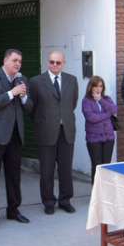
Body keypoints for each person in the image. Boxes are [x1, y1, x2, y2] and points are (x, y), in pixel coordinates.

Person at [0, 48, 33, 231]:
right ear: (5, 61)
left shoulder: (22, 80)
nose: (17, 64)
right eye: (14, 60)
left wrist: (24, 96)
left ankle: (13, 210)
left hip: (15, 136)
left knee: (14, 177)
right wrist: (12, 93)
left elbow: (29, 108)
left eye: (20, 61)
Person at [29, 51, 78, 215]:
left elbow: (72, 103)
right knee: (47, 170)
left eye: (58, 62)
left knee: (65, 169)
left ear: (63, 63)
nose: (54, 65)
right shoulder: (36, 82)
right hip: (46, 132)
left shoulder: (72, 80)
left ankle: (65, 200)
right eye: (52, 62)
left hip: (66, 131)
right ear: (47, 63)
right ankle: (48, 202)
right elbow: (32, 107)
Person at [81, 75, 117, 183]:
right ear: (90, 87)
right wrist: (107, 114)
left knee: (106, 166)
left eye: (100, 86)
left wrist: (100, 100)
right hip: (94, 139)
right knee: (97, 165)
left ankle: (105, 193)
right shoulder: (86, 101)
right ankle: (96, 194)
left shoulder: (106, 99)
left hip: (108, 137)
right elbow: (91, 118)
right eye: (95, 86)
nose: (98, 88)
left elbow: (114, 110)